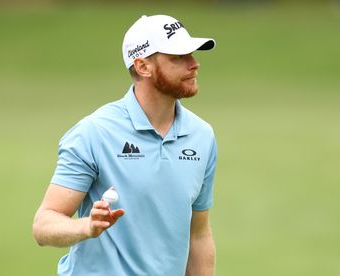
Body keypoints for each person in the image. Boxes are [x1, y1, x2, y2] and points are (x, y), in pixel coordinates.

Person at [32, 14, 217, 276]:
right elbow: (44, 224)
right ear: (143, 66)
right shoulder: (94, 132)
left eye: (192, 54)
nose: (194, 64)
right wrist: (87, 227)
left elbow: (198, 235)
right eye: (178, 57)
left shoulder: (202, 135)